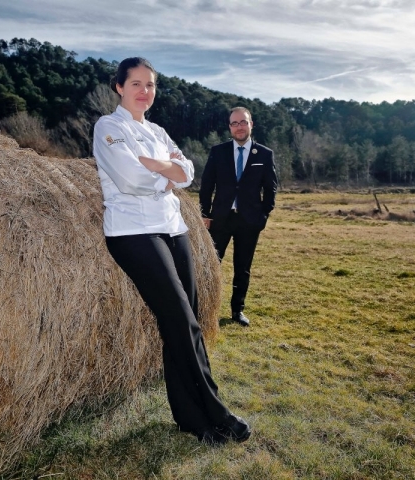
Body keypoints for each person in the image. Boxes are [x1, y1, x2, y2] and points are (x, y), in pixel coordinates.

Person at [93, 57, 251, 445]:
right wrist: (167, 174)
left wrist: (158, 167)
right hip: (133, 232)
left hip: (173, 228)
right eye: (136, 84)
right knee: (182, 322)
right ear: (119, 87)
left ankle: (189, 418)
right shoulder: (108, 127)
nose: (144, 91)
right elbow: (130, 180)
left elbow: (188, 172)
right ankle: (215, 411)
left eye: (150, 85)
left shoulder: (159, 131)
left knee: (187, 320)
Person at [199, 107, 278, 327]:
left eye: (243, 122)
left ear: (251, 124)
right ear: (229, 127)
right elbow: (206, 186)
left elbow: (271, 189)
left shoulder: (264, 154)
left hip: (249, 221)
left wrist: (263, 215)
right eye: (234, 123)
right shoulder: (218, 151)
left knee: (242, 268)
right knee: (211, 265)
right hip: (220, 219)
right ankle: (204, 310)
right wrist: (205, 214)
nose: (239, 127)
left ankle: (237, 311)